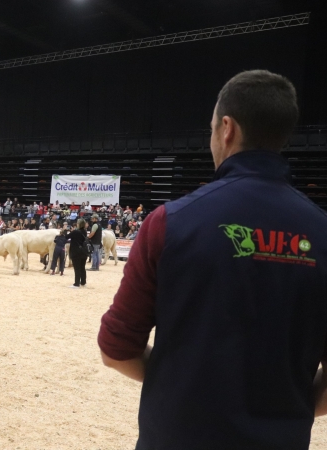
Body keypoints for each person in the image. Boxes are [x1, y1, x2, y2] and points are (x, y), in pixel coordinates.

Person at [97, 70, 327, 449]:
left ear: (226, 128)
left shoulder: (168, 223)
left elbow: (116, 349)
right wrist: (288, 407)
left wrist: (182, 387)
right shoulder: (321, 234)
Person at [67, 218, 87, 288]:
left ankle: (76, 283)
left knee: (77, 268)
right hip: (84, 252)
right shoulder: (84, 231)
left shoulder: (75, 232)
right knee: (82, 267)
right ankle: (83, 282)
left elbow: (66, 237)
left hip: (76, 252)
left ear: (79, 224)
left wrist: (71, 231)